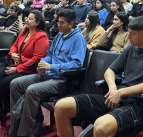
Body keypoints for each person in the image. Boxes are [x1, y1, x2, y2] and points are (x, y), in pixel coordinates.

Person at [54, 15, 143, 137]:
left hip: (137, 105)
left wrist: (120, 92)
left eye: (131, 34)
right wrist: (113, 88)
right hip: (115, 97)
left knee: (101, 126)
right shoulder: (130, 48)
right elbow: (109, 71)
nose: (128, 36)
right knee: (61, 106)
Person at [8, 9, 87, 137]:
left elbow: (77, 64)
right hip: (48, 75)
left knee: (32, 90)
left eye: (62, 23)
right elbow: (50, 55)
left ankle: (23, 133)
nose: (58, 25)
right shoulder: (59, 35)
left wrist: (51, 66)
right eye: (58, 22)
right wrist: (42, 63)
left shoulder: (78, 38)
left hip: (62, 80)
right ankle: (20, 125)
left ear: (71, 23)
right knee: (15, 84)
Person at [0, 11, 49, 134]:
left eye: (30, 19)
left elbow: (37, 59)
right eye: (27, 18)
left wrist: (17, 68)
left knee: (5, 84)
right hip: (17, 65)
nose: (26, 21)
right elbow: (14, 46)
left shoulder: (41, 37)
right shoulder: (24, 32)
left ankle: (9, 110)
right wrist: (12, 53)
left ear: (38, 22)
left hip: (30, 70)